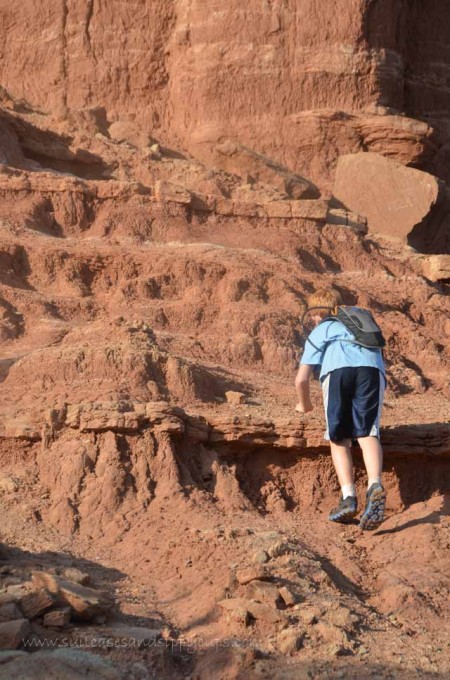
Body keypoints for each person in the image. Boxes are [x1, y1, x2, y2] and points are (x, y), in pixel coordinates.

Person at [294, 287, 387, 530]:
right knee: (368, 432)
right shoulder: (361, 325)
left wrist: (304, 405)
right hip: (371, 371)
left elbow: (301, 379)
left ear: (317, 313)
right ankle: (374, 485)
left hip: (337, 373)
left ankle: (348, 498)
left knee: (339, 438)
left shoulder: (322, 329)